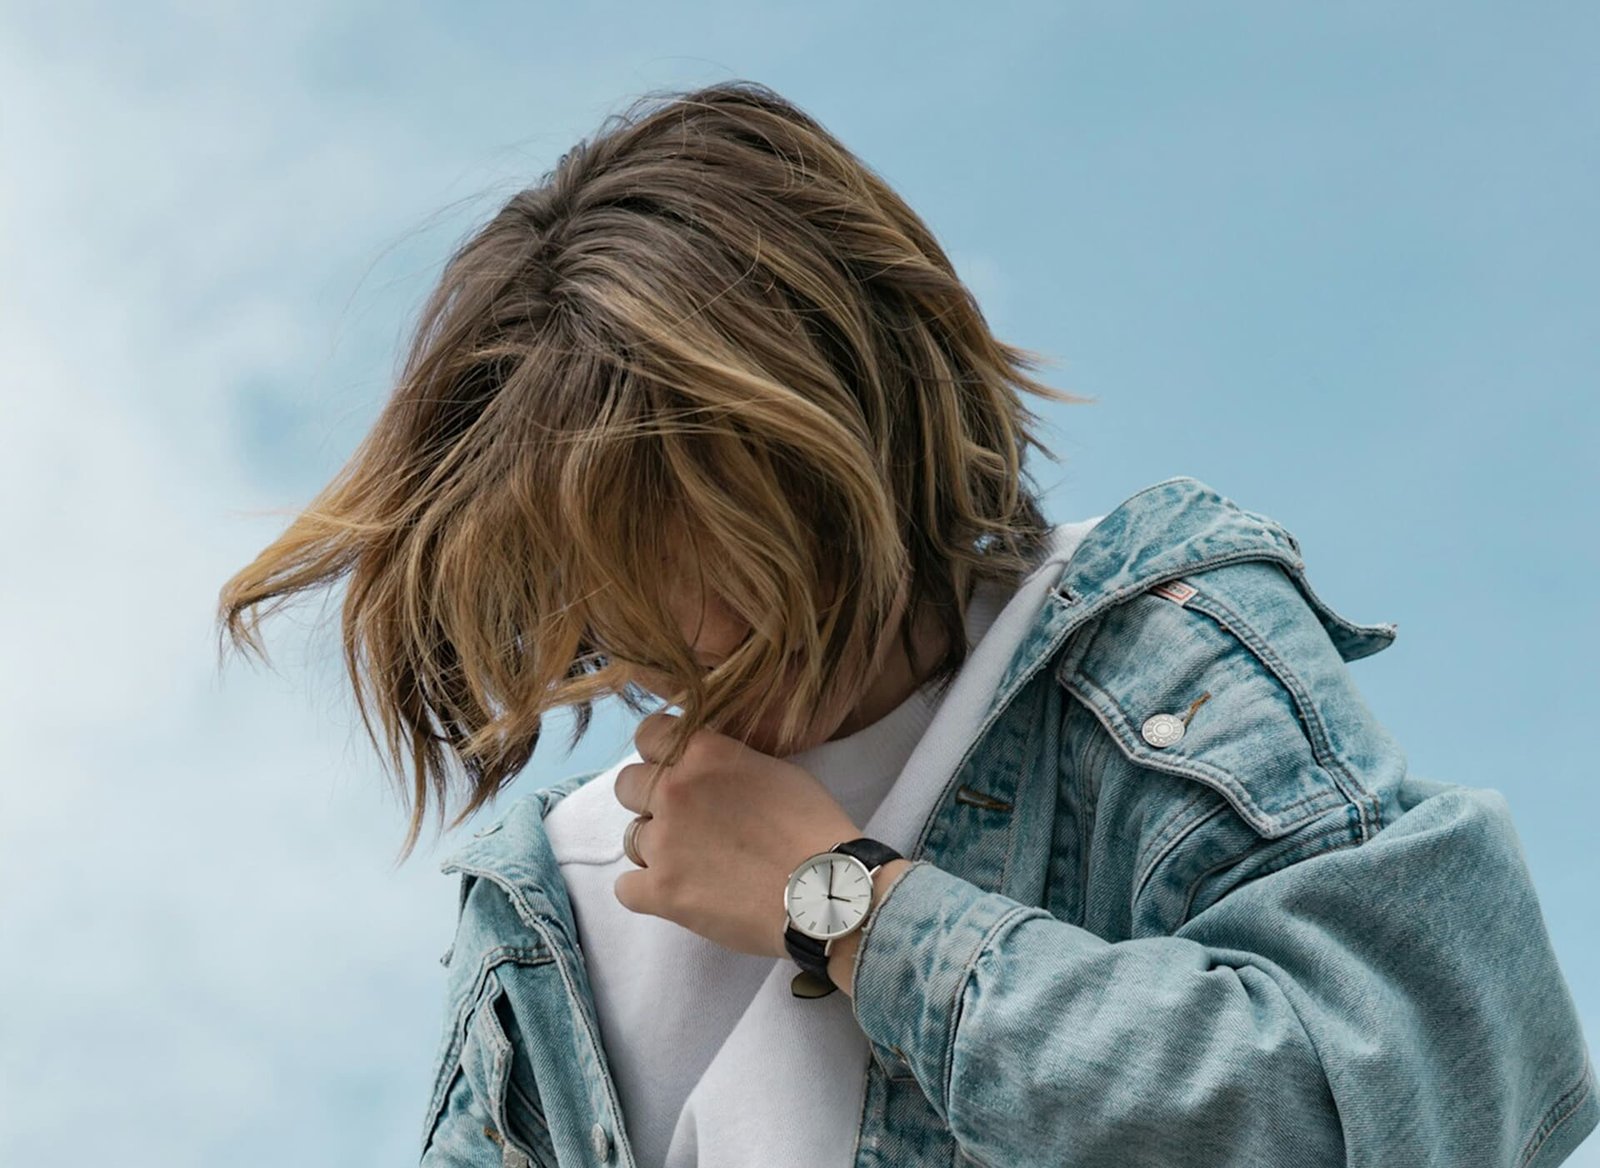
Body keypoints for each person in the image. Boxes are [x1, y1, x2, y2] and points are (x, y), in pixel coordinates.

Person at [215, 80, 1598, 1168]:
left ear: (857, 434)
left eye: (709, 540)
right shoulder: (558, 902)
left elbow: (1421, 1102)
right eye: (610, 586)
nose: (682, 640)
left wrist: (849, 908)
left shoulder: (1145, 663)